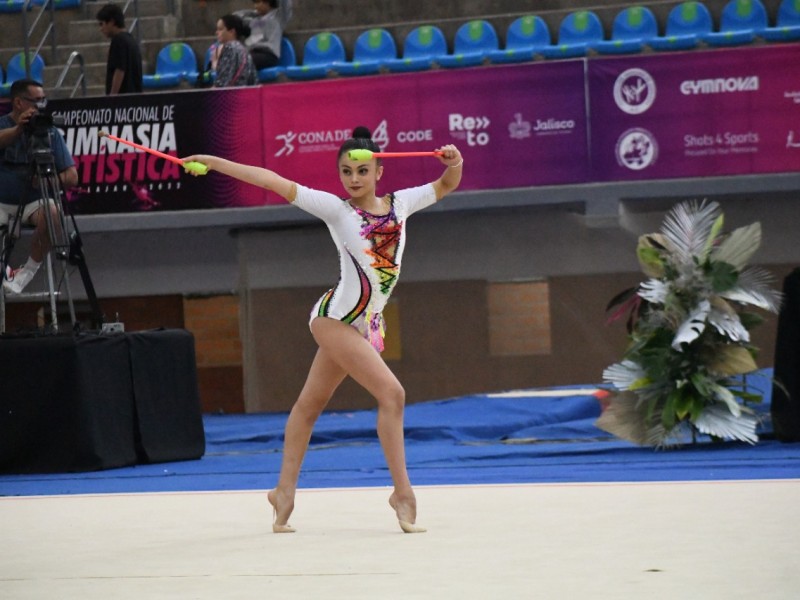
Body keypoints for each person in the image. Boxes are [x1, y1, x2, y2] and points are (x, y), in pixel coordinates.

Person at [183, 127, 463, 533]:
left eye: (362, 171)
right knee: (392, 394)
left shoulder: (402, 204)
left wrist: (454, 161)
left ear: (379, 171)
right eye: (346, 171)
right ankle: (402, 494)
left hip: (364, 327)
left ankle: (283, 491)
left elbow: (447, 182)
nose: (353, 178)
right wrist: (215, 163)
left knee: (308, 406)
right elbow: (270, 179)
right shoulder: (337, 210)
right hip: (333, 320)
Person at [0, 79, 78, 294]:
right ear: (18, 103)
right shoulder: (3, 125)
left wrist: (46, 181)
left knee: (53, 214)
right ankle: (3, 269)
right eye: (35, 101)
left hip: (33, 202)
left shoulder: (48, 131)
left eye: (43, 101)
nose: (40, 106)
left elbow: (72, 176)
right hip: (2, 203)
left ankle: (27, 272)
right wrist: (18, 130)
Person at [96, 3, 143, 95]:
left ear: (112, 22)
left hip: (122, 102)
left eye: (102, 24)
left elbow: (120, 70)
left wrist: (113, 97)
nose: (101, 29)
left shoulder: (118, 41)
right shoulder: (131, 40)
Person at [239, 0, 293, 70]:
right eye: (254, 3)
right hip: (252, 52)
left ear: (267, 2)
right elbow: (236, 16)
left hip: (268, 55)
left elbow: (286, 4)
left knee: (244, 60)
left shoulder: (278, 16)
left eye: (258, 2)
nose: (255, 6)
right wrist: (252, 13)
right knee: (236, 58)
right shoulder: (254, 19)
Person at [212, 14, 257, 87]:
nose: (216, 32)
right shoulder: (242, 48)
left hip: (235, 94)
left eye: (220, 29)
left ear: (232, 31)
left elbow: (223, 82)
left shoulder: (230, 48)